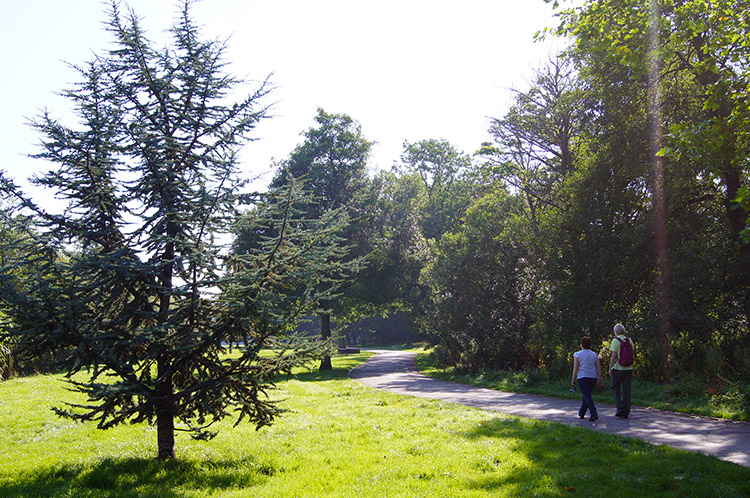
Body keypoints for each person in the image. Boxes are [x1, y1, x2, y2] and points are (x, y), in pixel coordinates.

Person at [571, 335, 602, 422]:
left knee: (586, 395)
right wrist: (600, 378)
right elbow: (598, 367)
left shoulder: (577, 354)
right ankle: (582, 412)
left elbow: (576, 367)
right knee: (586, 395)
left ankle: (593, 413)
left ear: (581, 344)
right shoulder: (594, 354)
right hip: (592, 377)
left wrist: (573, 379)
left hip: (582, 376)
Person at [608, 323, 634, 418]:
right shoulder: (629, 340)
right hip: (629, 368)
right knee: (627, 390)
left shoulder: (615, 341)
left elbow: (614, 355)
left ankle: (620, 407)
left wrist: (610, 367)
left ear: (616, 332)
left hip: (618, 368)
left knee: (615, 388)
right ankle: (626, 411)